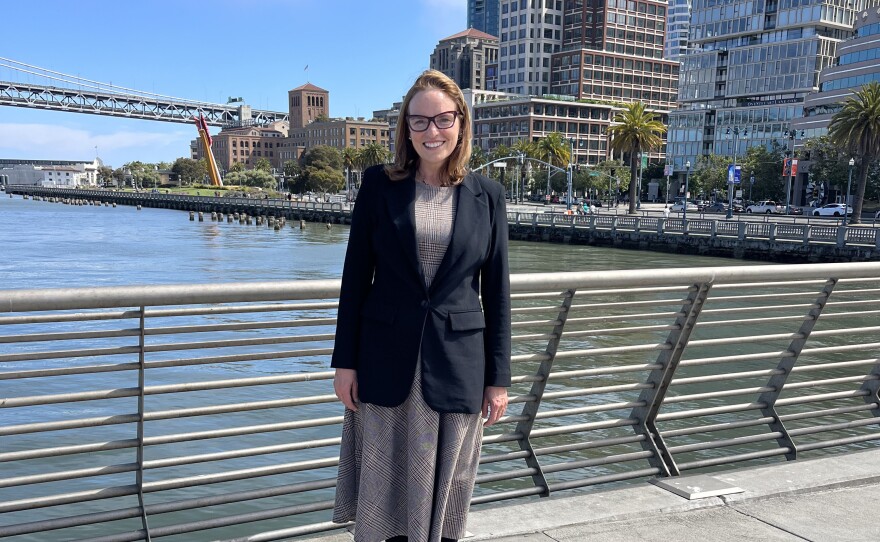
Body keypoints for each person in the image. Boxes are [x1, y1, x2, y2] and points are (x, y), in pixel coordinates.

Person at [331, 69, 511, 542]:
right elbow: (354, 282)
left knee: (445, 493)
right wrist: (344, 364)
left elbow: (496, 293)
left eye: (443, 119)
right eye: (419, 121)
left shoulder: (487, 196)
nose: (432, 131)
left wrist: (499, 379)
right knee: (383, 484)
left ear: (461, 123)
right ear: (405, 129)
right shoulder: (378, 185)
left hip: (457, 365)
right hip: (385, 358)